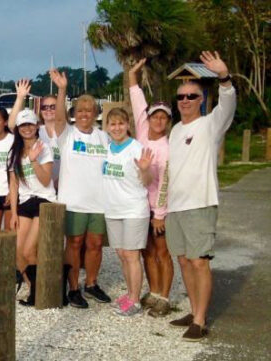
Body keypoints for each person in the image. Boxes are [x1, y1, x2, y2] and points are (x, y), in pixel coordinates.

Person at [166, 51, 235, 341]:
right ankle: (193, 310)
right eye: (181, 96)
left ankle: (200, 320)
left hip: (200, 204)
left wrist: (224, 77)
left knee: (199, 262)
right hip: (175, 207)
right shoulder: (174, 131)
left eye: (191, 96)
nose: (185, 100)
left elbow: (228, 104)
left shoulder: (210, 125)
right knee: (183, 261)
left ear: (201, 100)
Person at [51, 69, 112, 308]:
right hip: (74, 202)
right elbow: (58, 119)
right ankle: (74, 287)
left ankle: (92, 283)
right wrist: (62, 90)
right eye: (80, 110)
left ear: (95, 113)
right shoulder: (67, 135)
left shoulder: (103, 137)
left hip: (99, 202)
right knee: (74, 244)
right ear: (74, 114)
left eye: (89, 110)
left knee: (95, 244)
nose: (85, 114)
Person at [128, 58, 174, 317]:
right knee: (146, 252)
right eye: (155, 115)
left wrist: (160, 214)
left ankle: (165, 297)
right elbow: (136, 95)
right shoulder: (142, 129)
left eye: (163, 117)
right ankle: (154, 292)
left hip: (158, 209)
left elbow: (165, 183)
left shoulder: (167, 148)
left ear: (167, 121)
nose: (158, 120)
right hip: (139, 205)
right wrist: (133, 73)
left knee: (162, 252)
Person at [102, 108, 154, 316]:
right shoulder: (107, 148)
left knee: (132, 255)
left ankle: (135, 300)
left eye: (121, 123)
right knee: (122, 254)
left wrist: (144, 169)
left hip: (133, 208)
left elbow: (147, 181)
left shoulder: (136, 148)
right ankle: (130, 293)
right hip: (113, 209)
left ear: (127, 125)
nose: (117, 128)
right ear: (107, 127)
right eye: (113, 124)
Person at [7, 109, 57, 306]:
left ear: (37, 126)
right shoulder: (14, 152)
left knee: (29, 250)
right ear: (18, 128)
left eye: (30, 124)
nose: (26, 128)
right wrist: (13, 213)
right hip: (25, 201)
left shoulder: (44, 148)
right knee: (17, 250)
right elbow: (13, 184)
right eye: (22, 125)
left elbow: (45, 180)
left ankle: (39, 291)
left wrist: (34, 160)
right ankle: (32, 285)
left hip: (44, 200)